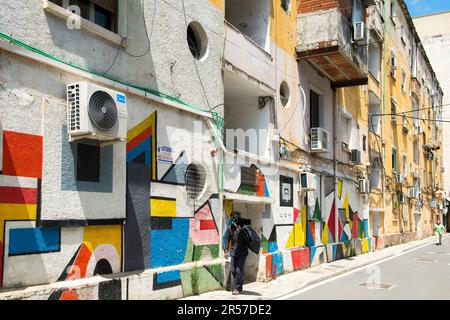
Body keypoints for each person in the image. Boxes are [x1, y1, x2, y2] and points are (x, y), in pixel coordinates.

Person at [222, 211, 251, 295]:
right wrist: (226, 250)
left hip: (243, 252)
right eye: (233, 217)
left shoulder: (244, 227)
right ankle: (239, 284)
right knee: (233, 270)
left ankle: (236, 288)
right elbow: (226, 239)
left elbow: (250, 238)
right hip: (234, 252)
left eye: (236, 217)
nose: (234, 219)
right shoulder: (229, 228)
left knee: (238, 270)